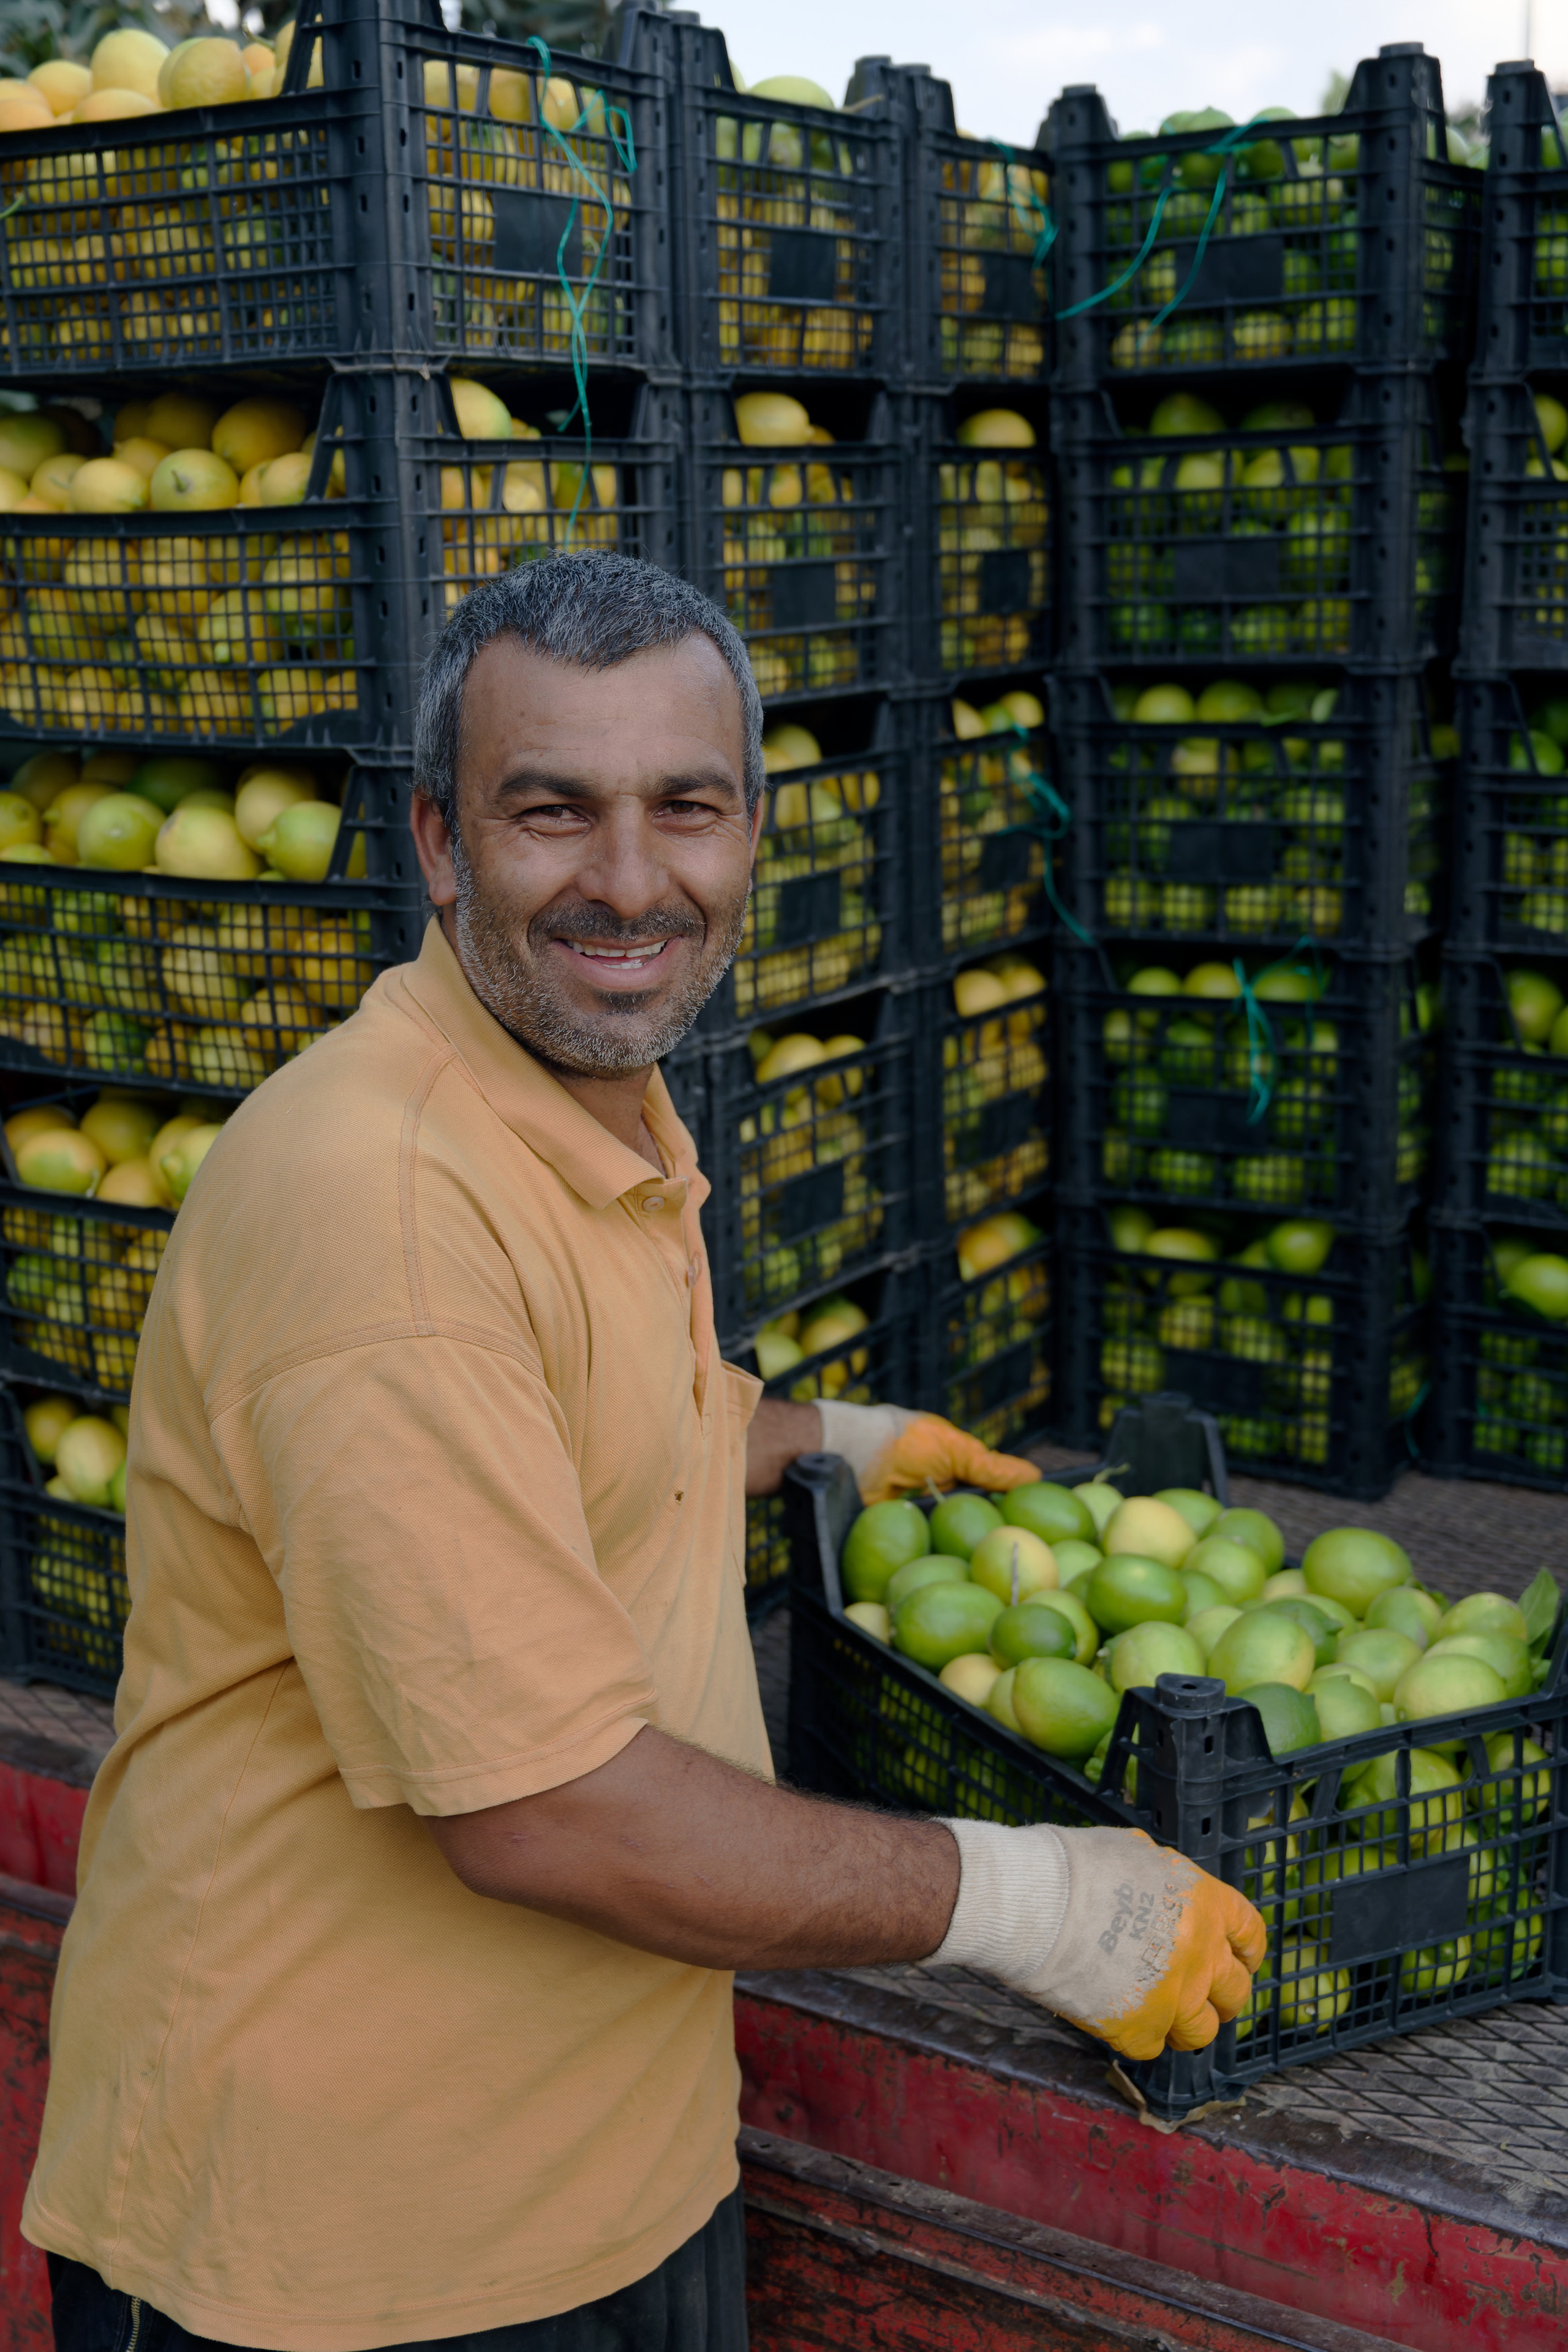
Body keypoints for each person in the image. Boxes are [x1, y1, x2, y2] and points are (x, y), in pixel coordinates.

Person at [28, 554, 1263, 2352]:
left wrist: (818, 1438)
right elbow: (538, 1809)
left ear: (752, 830)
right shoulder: (381, 1209)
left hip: (608, 2166)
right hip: (345, 2252)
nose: (629, 879)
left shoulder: (579, 1096)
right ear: (444, 843)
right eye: (552, 812)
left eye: (685, 807)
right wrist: (1035, 1901)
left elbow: (585, 1416)